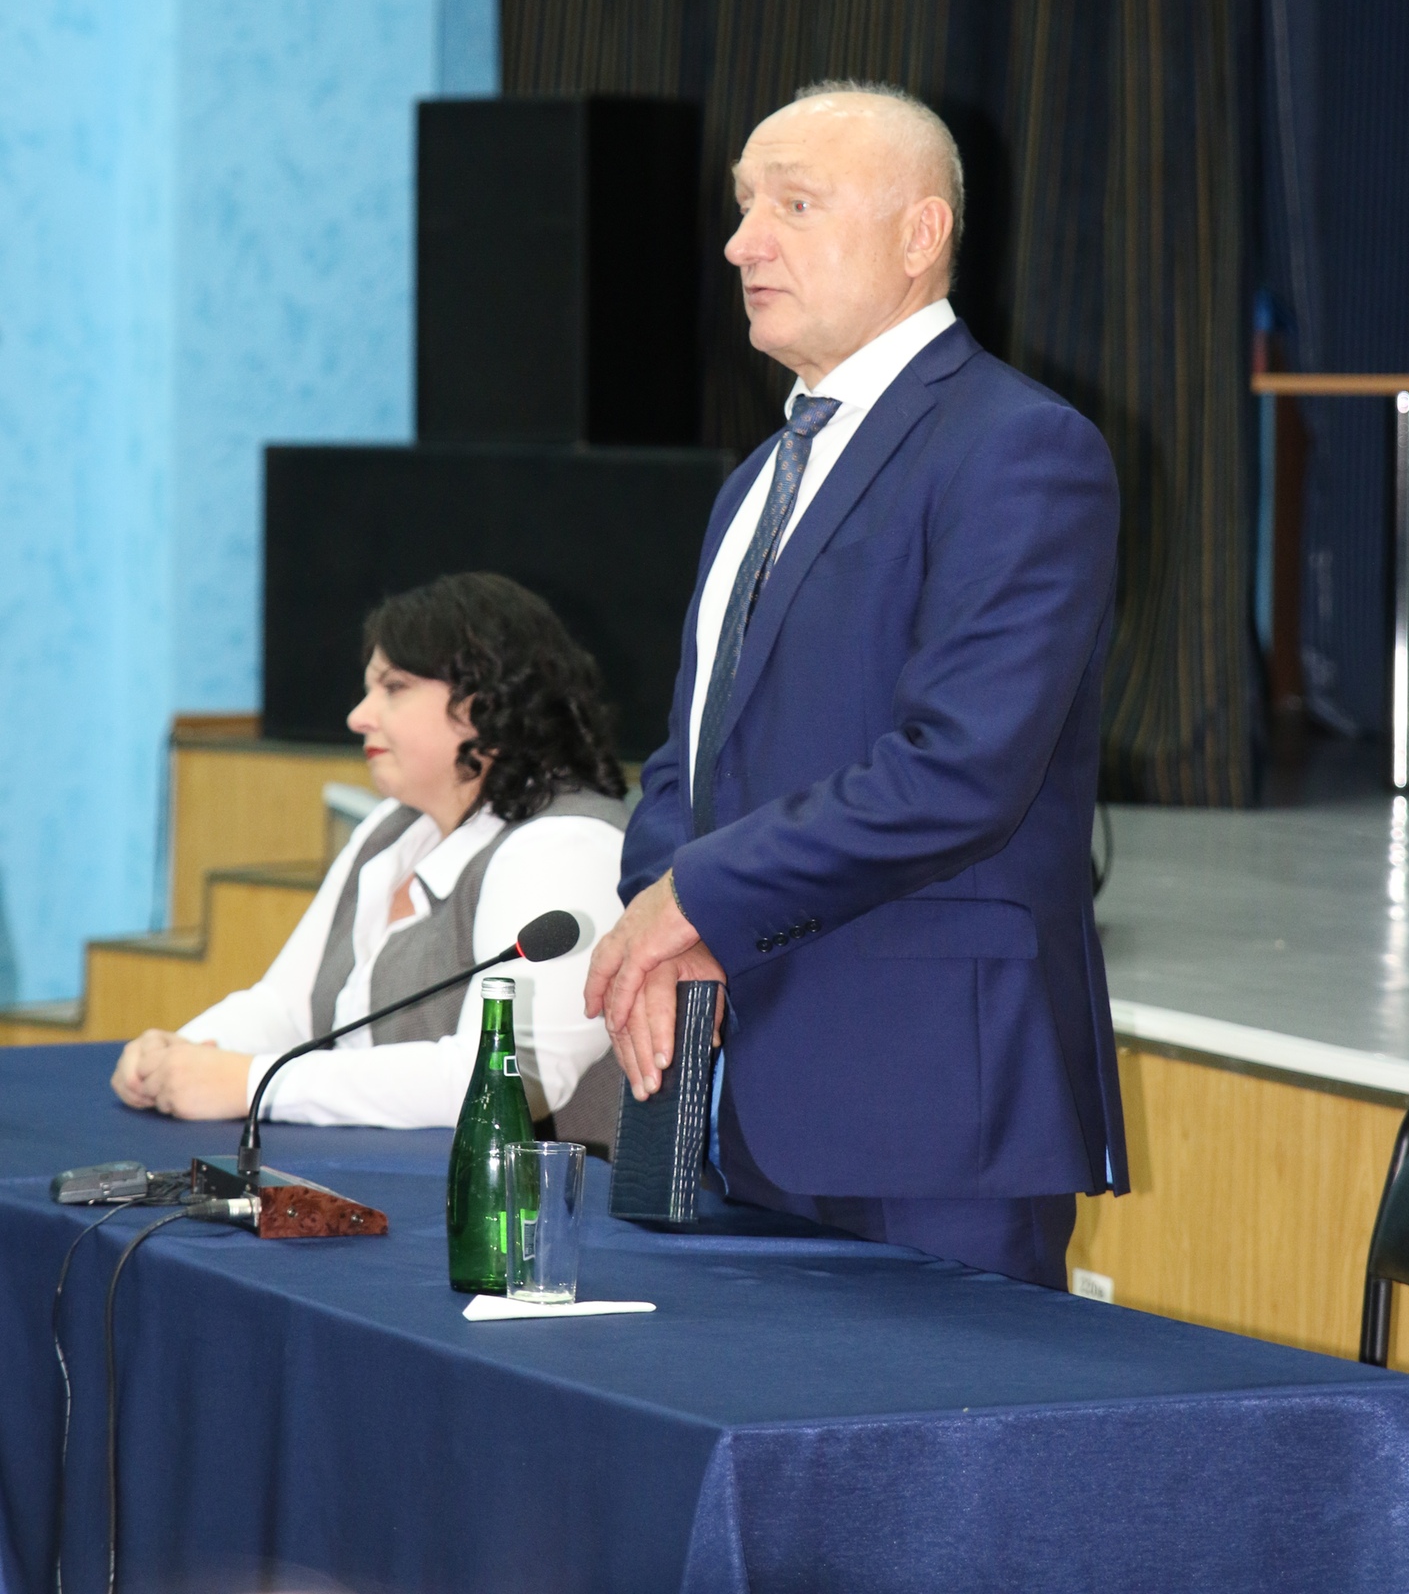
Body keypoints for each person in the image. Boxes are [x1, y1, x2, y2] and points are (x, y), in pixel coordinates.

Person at [584, 80, 1127, 1289]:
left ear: (920, 235)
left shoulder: (1019, 449)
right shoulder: (757, 481)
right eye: (741, 207)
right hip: (742, 1094)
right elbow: (691, 754)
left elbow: (958, 772)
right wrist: (662, 916)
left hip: (931, 1109)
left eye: (793, 205)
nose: (742, 243)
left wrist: (693, 901)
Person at [113, 573, 627, 1129]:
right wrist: (178, 1055)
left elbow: (504, 1079)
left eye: (394, 688)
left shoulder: (569, 847)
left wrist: (258, 1084)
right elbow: (289, 1008)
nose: (358, 716)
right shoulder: (394, 828)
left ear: (486, 701)